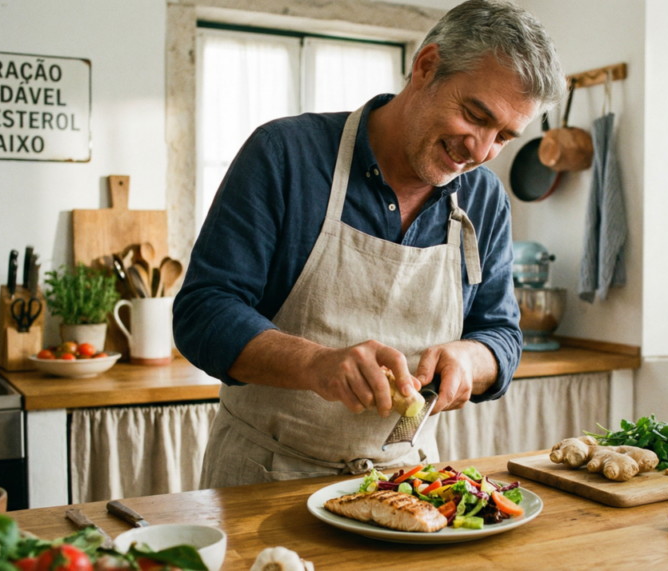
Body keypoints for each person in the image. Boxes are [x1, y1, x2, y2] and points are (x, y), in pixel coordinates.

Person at [174, 0, 566, 488]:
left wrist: (472, 360)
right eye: (474, 116)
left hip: (410, 485)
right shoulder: (284, 156)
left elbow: (502, 335)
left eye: (504, 136)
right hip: (266, 477)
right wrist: (315, 364)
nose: (481, 151)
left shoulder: (484, 199)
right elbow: (203, 312)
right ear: (426, 66)